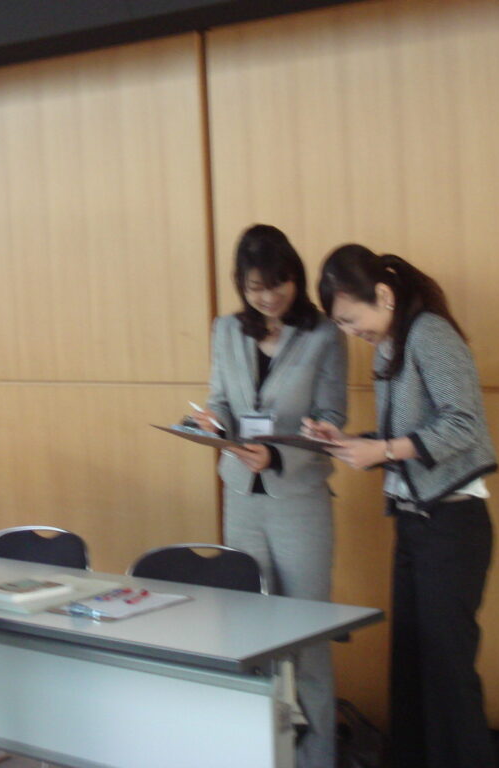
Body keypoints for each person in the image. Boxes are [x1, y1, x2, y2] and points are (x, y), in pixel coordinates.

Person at [303, 243, 498, 768]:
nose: (351, 332)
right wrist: (349, 441)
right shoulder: (392, 344)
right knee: (412, 672)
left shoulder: (430, 333)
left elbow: (463, 425)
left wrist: (383, 451)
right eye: (341, 325)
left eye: (351, 319)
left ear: (384, 296)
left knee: (448, 678)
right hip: (416, 524)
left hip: (452, 524)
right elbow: (406, 437)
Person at [190, 224, 347, 767]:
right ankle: (260, 754)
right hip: (241, 497)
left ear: (294, 278)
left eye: (278, 284)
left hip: (299, 500)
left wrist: (278, 456)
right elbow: (219, 398)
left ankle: (317, 757)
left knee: (308, 640)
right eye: (256, 287)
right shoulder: (226, 330)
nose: (268, 297)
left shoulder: (324, 334)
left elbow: (331, 418)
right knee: (249, 634)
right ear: (242, 286)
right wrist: (214, 424)